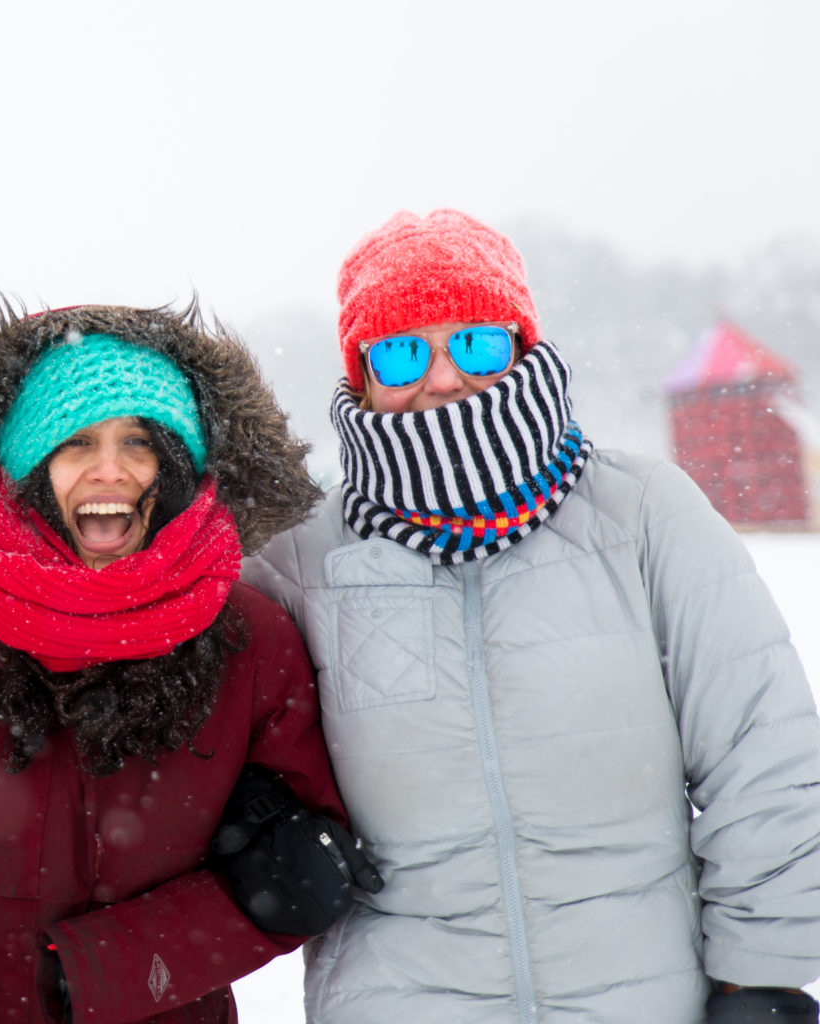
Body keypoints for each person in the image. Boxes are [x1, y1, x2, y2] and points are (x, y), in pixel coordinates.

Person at [242, 210, 820, 1023]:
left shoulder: (643, 515)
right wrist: (258, 826)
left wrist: (763, 976)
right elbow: (224, 756)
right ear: (361, 375)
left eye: (474, 343)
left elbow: (764, 758)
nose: (443, 378)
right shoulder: (294, 565)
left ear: (520, 347)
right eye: (404, 350)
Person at [0, 300, 364, 1024]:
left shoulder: (249, 640)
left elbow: (306, 870)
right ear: (33, 463)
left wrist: (116, 968)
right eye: (75, 441)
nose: (110, 470)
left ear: (178, 465)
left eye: (140, 442)